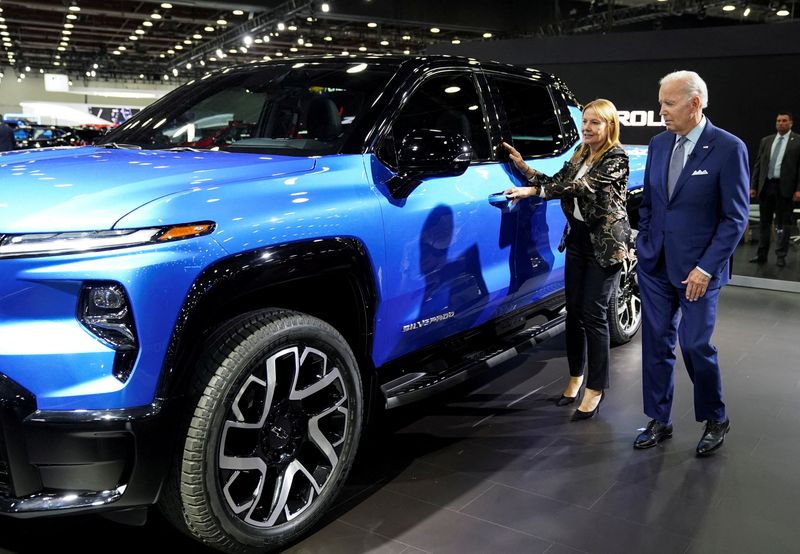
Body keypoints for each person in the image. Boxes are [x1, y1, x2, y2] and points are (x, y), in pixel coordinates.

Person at [634, 71, 749, 456]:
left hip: (699, 271)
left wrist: (705, 268)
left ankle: (715, 417)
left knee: (695, 344)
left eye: (668, 103)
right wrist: (644, 242)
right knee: (655, 344)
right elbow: (650, 202)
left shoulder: (728, 148)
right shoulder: (658, 143)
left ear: (694, 103)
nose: (661, 110)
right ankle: (659, 418)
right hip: (655, 265)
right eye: (661, 102)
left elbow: (735, 218)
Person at [502, 98, 634, 421]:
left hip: (605, 246)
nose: (587, 128)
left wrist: (533, 193)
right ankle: (575, 376)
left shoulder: (616, 156)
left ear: (610, 126)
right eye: (585, 122)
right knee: (573, 312)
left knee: (594, 314)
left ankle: (596, 387)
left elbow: (579, 187)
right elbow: (557, 178)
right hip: (577, 239)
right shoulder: (580, 153)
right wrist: (523, 168)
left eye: (595, 123)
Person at [749, 112, 800, 267]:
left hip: (786, 188)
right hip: (767, 186)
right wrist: (753, 186)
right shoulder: (767, 141)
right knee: (765, 223)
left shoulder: (797, 141)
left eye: (784, 121)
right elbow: (758, 165)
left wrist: (798, 189)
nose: (781, 123)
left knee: (783, 223)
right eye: (778, 121)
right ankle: (761, 255)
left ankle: (781, 255)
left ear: (791, 123)